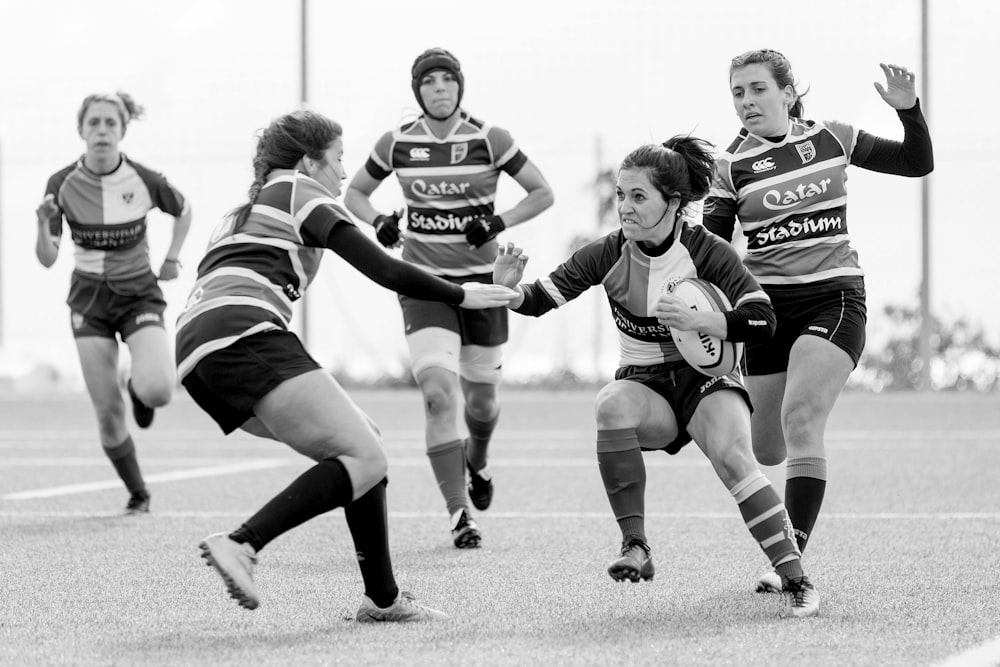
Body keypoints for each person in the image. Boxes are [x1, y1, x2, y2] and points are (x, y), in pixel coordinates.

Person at [177, 109, 517, 622]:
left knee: (364, 443)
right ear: (308, 161)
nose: (342, 174)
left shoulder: (242, 210)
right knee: (366, 456)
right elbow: (384, 269)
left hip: (199, 350)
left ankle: (382, 599)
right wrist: (463, 294)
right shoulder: (297, 190)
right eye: (337, 160)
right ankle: (242, 542)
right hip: (244, 333)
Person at [493, 136, 819, 618]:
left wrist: (705, 322)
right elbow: (541, 298)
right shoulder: (608, 252)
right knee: (609, 404)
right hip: (646, 385)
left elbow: (762, 319)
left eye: (638, 196)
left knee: (734, 459)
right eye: (621, 195)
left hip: (705, 380)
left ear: (674, 202)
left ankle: (797, 580)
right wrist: (508, 290)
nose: (624, 206)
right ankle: (635, 547)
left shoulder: (707, 251)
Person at [702, 50, 934, 594]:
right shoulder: (729, 165)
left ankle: (790, 561)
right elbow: (710, 248)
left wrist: (909, 110)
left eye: (757, 89)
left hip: (834, 297)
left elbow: (916, 162)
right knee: (769, 449)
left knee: (801, 419)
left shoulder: (834, 138)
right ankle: (795, 501)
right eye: (738, 93)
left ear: (787, 92)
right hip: (764, 310)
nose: (747, 102)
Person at [345, 47, 554, 549]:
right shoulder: (397, 142)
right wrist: (380, 223)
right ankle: (461, 514)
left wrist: (498, 222)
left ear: (461, 87)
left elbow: (542, 192)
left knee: (481, 404)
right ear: (417, 91)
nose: (439, 88)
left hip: (484, 288)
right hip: (423, 285)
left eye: (447, 80)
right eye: (429, 82)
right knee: (440, 395)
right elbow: (353, 195)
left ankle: (478, 461)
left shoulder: (489, 137)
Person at [35, 91, 192, 515]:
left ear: (122, 131)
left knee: (159, 391)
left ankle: (137, 389)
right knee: (107, 413)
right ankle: (138, 493)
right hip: (89, 300)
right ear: (81, 130)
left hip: (139, 294)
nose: (102, 131)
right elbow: (48, 258)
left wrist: (172, 258)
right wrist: (40, 223)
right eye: (94, 123)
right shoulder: (60, 184)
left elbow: (184, 209)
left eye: (110, 123)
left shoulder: (143, 178)